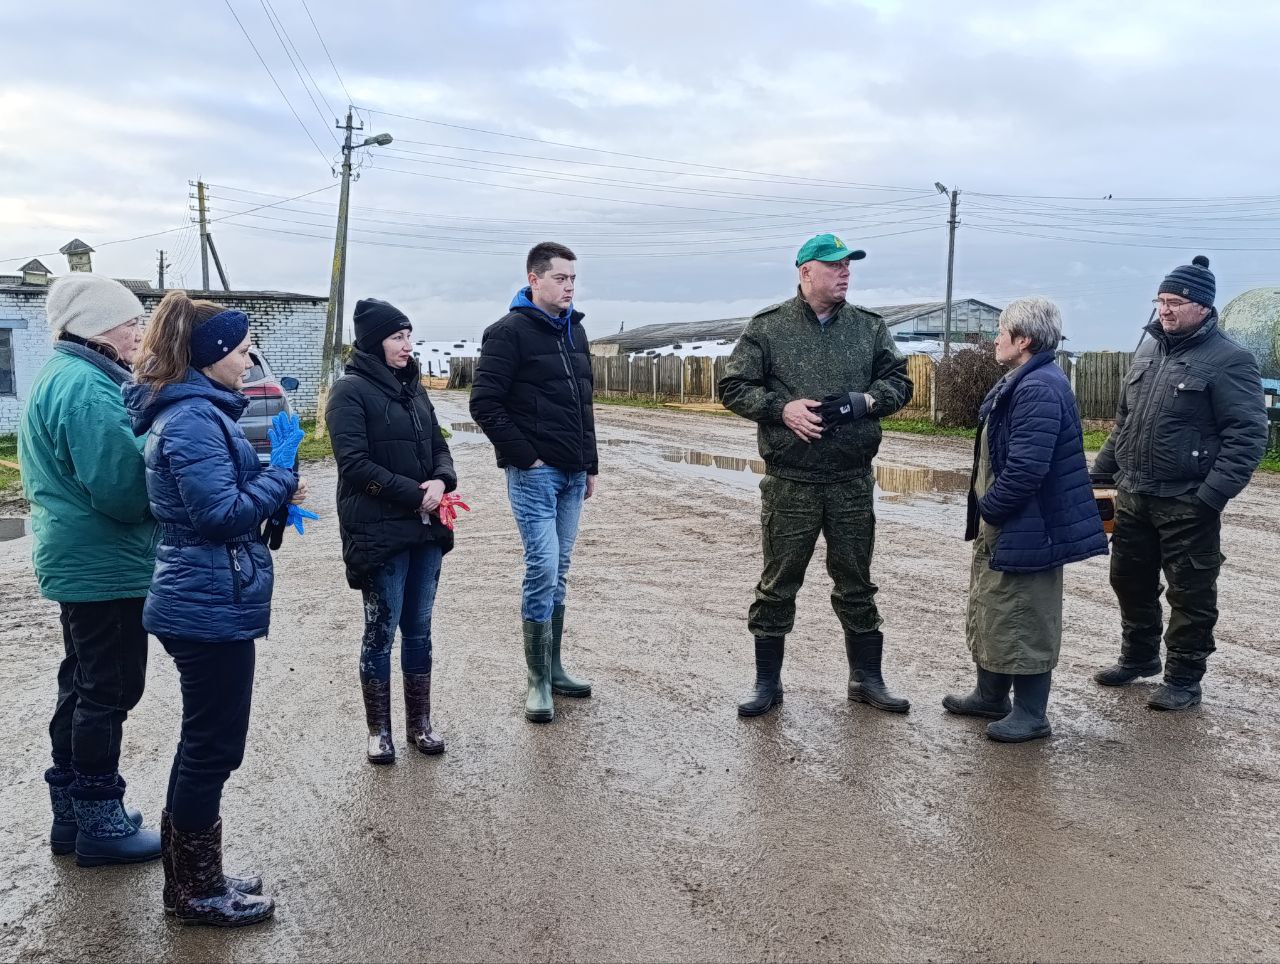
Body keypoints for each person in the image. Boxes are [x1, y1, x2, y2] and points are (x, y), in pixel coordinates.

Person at [124, 290, 308, 927]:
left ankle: (194, 876)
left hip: (207, 594)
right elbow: (219, 514)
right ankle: (195, 891)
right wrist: (281, 476)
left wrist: (271, 487)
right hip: (204, 602)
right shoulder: (193, 419)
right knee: (212, 747)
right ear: (211, 355)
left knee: (206, 743)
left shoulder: (198, 412)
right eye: (242, 348)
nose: (249, 359)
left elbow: (223, 497)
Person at [720, 234, 914, 718]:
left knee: (857, 582)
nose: (845, 273)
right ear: (806, 271)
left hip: (851, 480)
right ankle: (767, 684)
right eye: (834, 266)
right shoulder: (769, 327)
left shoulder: (869, 327)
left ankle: (866, 679)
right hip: (791, 481)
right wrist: (780, 409)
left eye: (848, 265)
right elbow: (732, 386)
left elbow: (899, 382)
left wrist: (865, 402)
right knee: (778, 583)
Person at [18, 274, 158, 866]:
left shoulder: (63, 374)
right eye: (131, 323)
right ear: (99, 328)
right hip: (106, 563)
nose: (139, 333)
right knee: (109, 689)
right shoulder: (89, 388)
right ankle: (100, 821)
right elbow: (124, 492)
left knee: (81, 683)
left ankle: (72, 817)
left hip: (79, 557)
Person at [1091, 256, 1267, 710]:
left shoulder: (1230, 360)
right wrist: (1100, 475)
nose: (1165, 310)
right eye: (1161, 301)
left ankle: (1184, 679)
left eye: (1175, 302)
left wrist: (1210, 496)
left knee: (1191, 593)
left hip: (1187, 501)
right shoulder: (1148, 350)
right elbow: (1125, 421)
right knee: (1128, 580)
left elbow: (1248, 436)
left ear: (1203, 307)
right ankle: (1139, 657)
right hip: (1134, 494)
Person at [943, 298, 1107, 742]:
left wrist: (992, 508)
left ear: (1024, 340)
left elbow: (1026, 468)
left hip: (1026, 523)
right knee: (995, 606)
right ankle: (990, 696)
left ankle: (1032, 714)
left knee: (1025, 614)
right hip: (1010, 522)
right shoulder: (1026, 378)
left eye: (1002, 331)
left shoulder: (1039, 388)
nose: (995, 339)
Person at [470, 241, 597, 724]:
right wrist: (528, 458)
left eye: (573, 279)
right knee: (542, 567)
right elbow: (484, 403)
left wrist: (590, 464)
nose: (569, 287)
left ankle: (555, 668)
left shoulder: (575, 330)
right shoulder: (507, 333)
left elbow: (583, 403)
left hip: (572, 473)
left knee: (559, 570)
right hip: (535, 476)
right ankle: (537, 679)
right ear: (534, 279)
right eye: (560, 278)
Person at [325, 298, 457, 763]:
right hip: (379, 531)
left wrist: (441, 481)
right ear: (373, 341)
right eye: (397, 337)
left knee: (419, 631)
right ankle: (378, 731)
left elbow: (439, 446)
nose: (407, 345)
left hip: (427, 527)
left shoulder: (414, 388)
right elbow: (354, 464)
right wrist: (413, 494)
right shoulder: (349, 392)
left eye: (409, 336)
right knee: (380, 632)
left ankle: (420, 725)